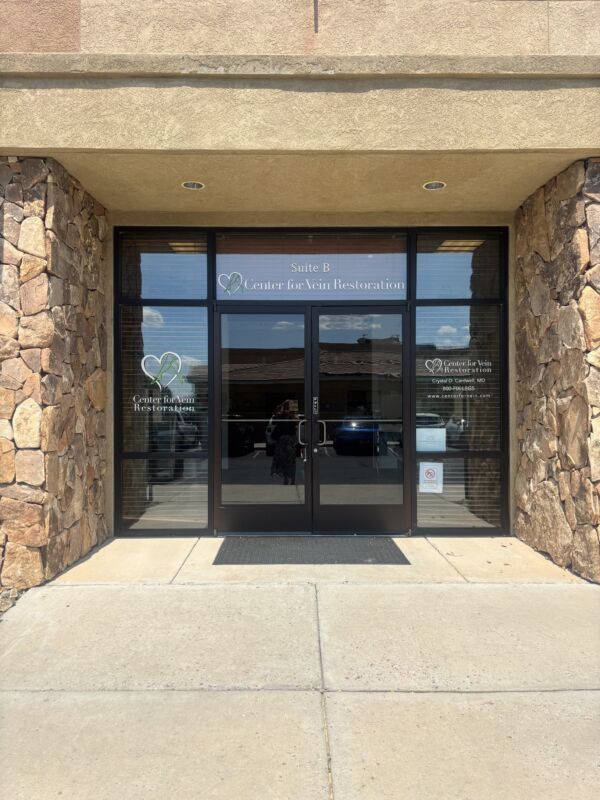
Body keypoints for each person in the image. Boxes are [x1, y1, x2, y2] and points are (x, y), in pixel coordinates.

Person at [270, 400, 298, 486]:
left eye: (288, 406)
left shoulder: (293, 414)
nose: (286, 408)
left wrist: (290, 414)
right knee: (281, 458)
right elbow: (274, 414)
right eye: (286, 406)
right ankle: (286, 477)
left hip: (290, 439)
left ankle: (291, 479)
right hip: (281, 439)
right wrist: (281, 405)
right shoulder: (281, 414)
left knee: (290, 460)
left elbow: (296, 422)